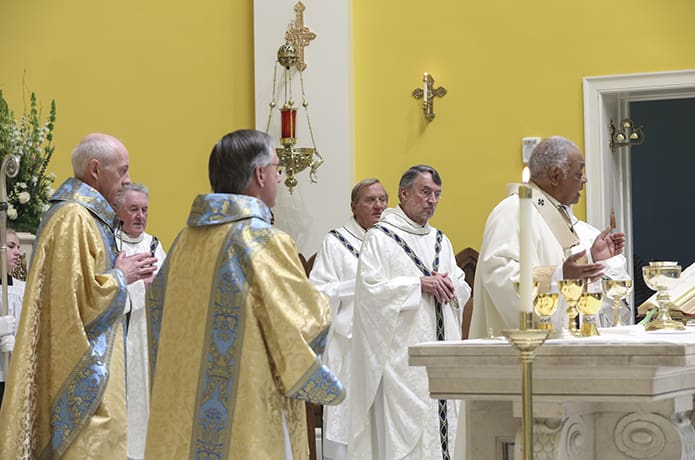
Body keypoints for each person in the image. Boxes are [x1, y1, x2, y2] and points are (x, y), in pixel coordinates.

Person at [144, 129, 345, 460]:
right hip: (248, 412)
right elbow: (301, 322)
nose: (279, 178)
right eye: (277, 168)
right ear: (259, 174)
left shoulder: (183, 242)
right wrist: (327, 303)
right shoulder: (261, 240)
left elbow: (159, 316)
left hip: (185, 412)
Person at [0, 133, 158, 459]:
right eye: (122, 171)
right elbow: (75, 302)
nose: (127, 181)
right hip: (85, 382)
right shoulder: (74, 218)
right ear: (95, 169)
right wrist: (121, 277)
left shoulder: (83, 216)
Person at [349, 165, 471, 460]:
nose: (432, 200)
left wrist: (450, 285)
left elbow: (462, 287)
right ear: (404, 194)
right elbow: (369, 291)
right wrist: (417, 284)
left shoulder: (441, 239)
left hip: (443, 357)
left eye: (437, 195)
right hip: (402, 363)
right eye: (425, 192)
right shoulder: (380, 238)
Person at [469, 136, 629, 338]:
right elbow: (500, 277)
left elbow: (560, 264)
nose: (584, 179)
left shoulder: (551, 213)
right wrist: (559, 276)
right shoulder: (512, 211)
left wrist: (590, 258)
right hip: (520, 355)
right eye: (578, 173)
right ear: (555, 176)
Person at [309, 178, 388, 460]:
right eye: (370, 200)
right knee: (349, 421)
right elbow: (317, 292)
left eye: (382, 199)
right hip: (349, 344)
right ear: (354, 207)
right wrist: (356, 286)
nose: (378, 205)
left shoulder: (392, 240)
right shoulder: (336, 242)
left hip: (387, 344)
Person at [115, 183, 167, 460]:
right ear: (119, 210)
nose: (140, 216)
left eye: (144, 210)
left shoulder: (154, 246)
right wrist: (135, 286)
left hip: (148, 337)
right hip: (121, 336)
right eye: (133, 209)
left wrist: (157, 290)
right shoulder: (110, 242)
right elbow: (104, 289)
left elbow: (171, 290)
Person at [0, 229, 25, 408]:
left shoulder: (23, 289)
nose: (17, 252)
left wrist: (18, 344)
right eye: (11, 246)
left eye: (18, 247)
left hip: (14, 373)